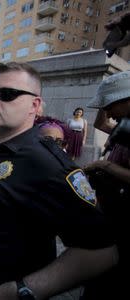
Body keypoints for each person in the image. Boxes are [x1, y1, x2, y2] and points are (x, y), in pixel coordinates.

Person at [0, 62, 118, 300]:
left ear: (35, 105)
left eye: (7, 94)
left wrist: (23, 289)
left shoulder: (47, 163)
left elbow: (102, 250)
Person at [81, 71, 130, 299]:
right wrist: (106, 97)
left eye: (110, 105)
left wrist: (105, 166)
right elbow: (101, 122)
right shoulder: (123, 127)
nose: (108, 112)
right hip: (110, 208)